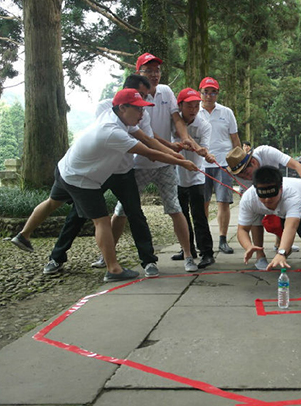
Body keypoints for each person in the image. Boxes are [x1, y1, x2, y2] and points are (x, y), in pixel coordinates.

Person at [11, 89, 198, 282]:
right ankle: (113, 269)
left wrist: (175, 154)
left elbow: (147, 139)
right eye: (138, 109)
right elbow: (149, 153)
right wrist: (183, 163)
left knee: (52, 202)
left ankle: (23, 235)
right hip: (81, 179)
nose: (142, 114)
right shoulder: (113, 132)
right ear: (122, 108)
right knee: (102, 221)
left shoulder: (115, 117)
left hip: (66, 168)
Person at [41, 74, 181, 278]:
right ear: (124, 97)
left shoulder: (140, 113)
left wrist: (174, 155)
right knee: (78, 215)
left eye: (144, 97)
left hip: (124, 171)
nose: (143, 102)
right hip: (100, 173)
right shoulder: (106, 109)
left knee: (135, 214)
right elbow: (141, 147)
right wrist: (178, 159)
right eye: (139, 95)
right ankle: (57, 257)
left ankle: (148, 261)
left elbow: (149, 140)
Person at [105, 53, 207, 274]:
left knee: (174, 208)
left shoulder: (166, 92)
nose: (154, 75)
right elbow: (147, 137)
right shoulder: (132, 99)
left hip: (164, 164)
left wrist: (186, 139)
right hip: (138, 164)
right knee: (122, 209)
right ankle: (107, 255)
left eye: (157, 70)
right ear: (138, 72)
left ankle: (188, 255)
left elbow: (176, 119)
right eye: (148, 70)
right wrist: (173, 151)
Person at [226, 145, 301, 269]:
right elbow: (242, 229)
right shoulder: (249, 197)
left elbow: (291, 227)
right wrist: (248, 246)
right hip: (273, 198)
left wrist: (282, 253)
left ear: (281, 189)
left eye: (271, 195)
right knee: (274, 226)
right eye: (263, 196)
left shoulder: (292, 196)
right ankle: (266, 252)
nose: (267, 200)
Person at [172, 88, 216, 269]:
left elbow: (203, 149)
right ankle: (187, 250)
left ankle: (207, 253)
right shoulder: (171, 122)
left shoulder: (204, 125)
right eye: (189, 106)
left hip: (196, 176)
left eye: (196, 105)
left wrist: (204, 152)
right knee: (181, 216)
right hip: (176, 175)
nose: (193, 110)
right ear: (180, 106)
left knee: (199, 216)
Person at [198, 76, 240, 255]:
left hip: (223, 163)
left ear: (218, 93)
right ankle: (203, 240)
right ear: (200, 93)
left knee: (224, 202)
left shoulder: (226, 112)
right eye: (206, 92)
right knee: (203, 203)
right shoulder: (194, 111)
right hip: (200, 164)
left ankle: (223, 239)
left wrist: (237, 164)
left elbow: (235, 139)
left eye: (213, 92)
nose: (209, 96)